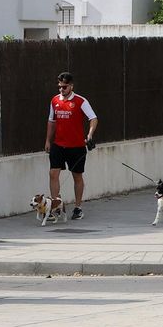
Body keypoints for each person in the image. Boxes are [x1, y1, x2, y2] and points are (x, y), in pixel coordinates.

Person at [46, 71, 99, 220]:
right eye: (59, 87)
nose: (61, 90)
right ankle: (55, 206)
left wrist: (89, 135)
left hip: (76, 146)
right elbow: (51, 121)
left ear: (71, 86)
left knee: (77, 176)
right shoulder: (55, 100)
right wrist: (48, 141)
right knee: (53, 173)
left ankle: (78, 207)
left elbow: (93, 118)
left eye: (64, 87)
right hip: (58, 144)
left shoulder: (81, 101)